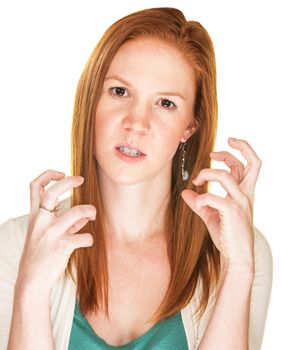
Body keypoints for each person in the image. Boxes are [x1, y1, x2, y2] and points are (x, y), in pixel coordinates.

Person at [0, 7, 272, 350]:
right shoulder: (16, 244)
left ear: (190, 126)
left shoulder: (237, 251)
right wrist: (31, 290)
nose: (136, 123)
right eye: (120, 92)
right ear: (91, 99)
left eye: (166, 103)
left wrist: (240, 268)